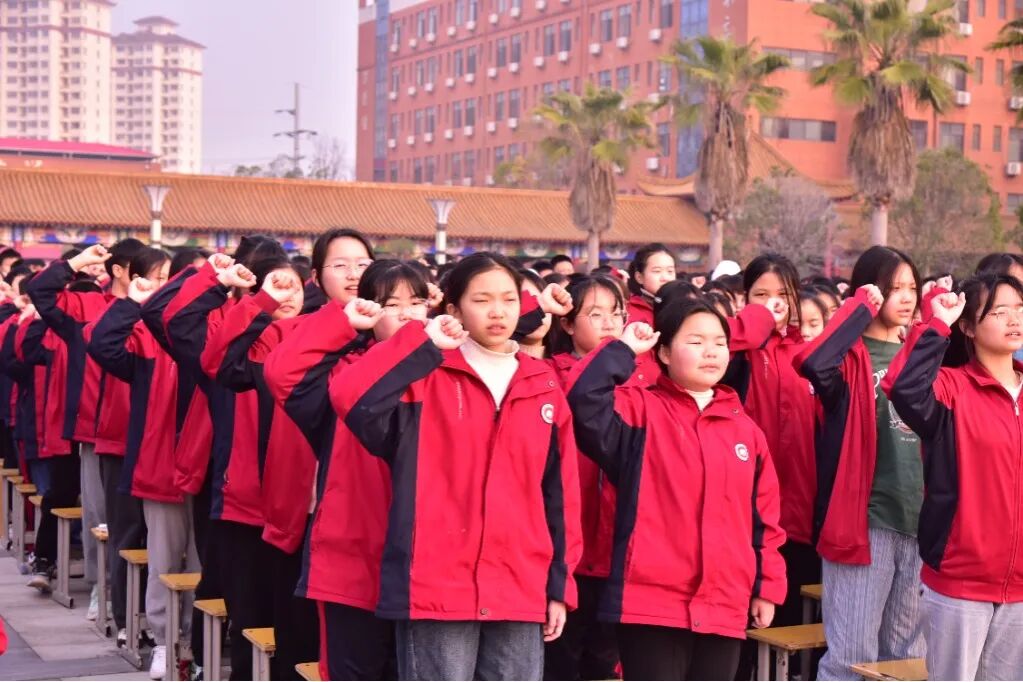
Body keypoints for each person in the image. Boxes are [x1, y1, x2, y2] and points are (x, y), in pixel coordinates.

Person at [331, 252, 583, 681]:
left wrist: (560, 585)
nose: (498, 311)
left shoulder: (543, 384)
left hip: (520, 583)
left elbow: (560, 496)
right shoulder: (424, 375)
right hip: (435, 586)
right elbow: (349, 397)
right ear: (453, 309)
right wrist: (421, 342)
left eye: (508, 299)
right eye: (482, 300)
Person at [565, 299, 786, 680]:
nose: (711, 352)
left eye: (719, 342)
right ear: (664, 352)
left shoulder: (746, 432)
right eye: (696, 342)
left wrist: (767, 587)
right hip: (650, 602)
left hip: (725, 601)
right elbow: (583, 400)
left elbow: (764, 520)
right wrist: (623, 349)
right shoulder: (639, 411)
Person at [882, 273, 1023, 681]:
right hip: (960, 582)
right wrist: (936, 325)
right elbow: (903, 388)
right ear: (969, 327)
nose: (1013, 319)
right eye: (998, 311)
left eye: (1019, 309)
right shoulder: (951, 388)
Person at [795, 246, 925, 680]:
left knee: (906, 658)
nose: (905, 297)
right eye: (893, 288)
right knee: (852, 658)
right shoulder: (849, 357)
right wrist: (858, 310)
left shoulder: (919, 352)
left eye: (911, 287)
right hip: (863, 521)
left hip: (919, 520)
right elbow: (812, 362)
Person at [88, 248, 194, 680]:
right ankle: (166, 642)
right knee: (164, 561)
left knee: (201, 565)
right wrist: (131, 302)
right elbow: (102, 344)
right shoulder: (145, 337)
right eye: (163, 278)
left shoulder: (215, 334)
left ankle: (195, 643)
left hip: (207, 470)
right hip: (161, 468)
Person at [28, 240, 144, 632]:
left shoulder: (156, 311)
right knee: (100, 517)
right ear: (119, 271)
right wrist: (76, 262)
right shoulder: (87, 306)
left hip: (148, 431)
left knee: (140, 525)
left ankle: (136, 603)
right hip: (98, 430)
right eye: (144, 270)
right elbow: (41, 292)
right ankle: (102, 588)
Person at [729, 254, 820, 633]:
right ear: (743, 299)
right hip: (744, 510)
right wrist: (758, 321)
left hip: (801, 509)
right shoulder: (735, 351)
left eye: (783, 294)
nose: (773, 303)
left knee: (792, 621)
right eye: (761, 294)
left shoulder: (810, 352)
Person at [625, 244, 676, 327]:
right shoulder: (629, 311)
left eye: (670, 271)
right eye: (657, 271)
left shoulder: (683, 305)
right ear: (639, 277)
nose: (665, 278)